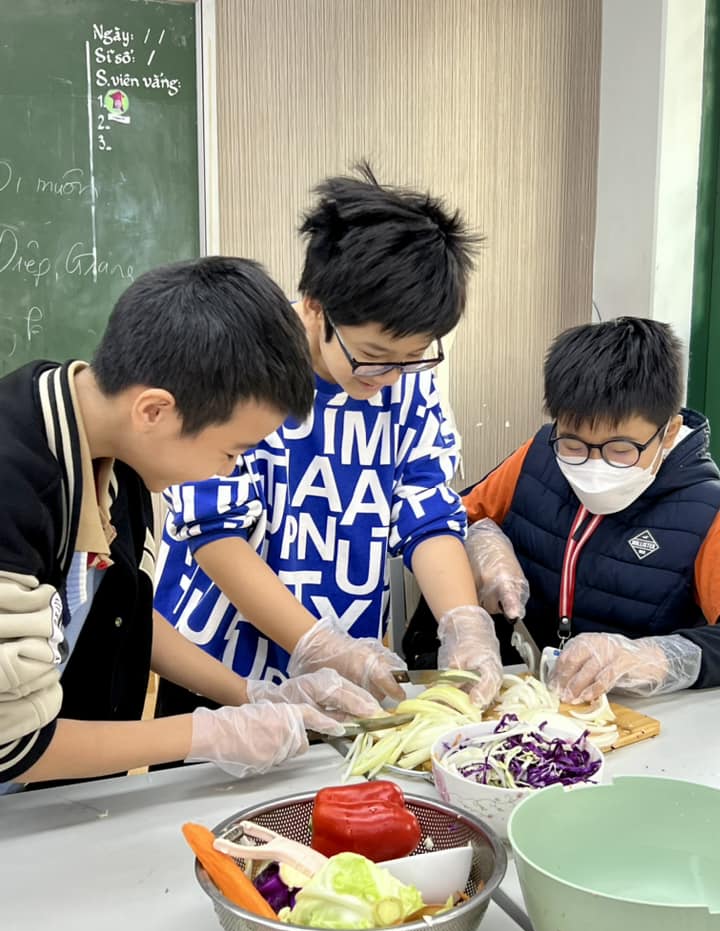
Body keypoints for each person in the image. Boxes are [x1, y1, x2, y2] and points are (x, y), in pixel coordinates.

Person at [0, 257, 382, 792]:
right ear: (154, 411)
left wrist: (251, 696)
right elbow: (13, 744)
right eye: (231, 452)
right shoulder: (15, 487)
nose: (226, 472)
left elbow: (126, 613)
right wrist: (207, 734)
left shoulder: (116, 447)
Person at [153, 164, 505, 713]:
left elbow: (427, 515)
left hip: (349, 669)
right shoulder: (236, 365)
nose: (390, 377)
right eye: (373, 356)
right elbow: (215, 532)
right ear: (316, 307)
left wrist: (464, 623)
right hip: (219, 670)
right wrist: (318, 646)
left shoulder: (408, 381)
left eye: (414, 357)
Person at [406, 316, 720, 704]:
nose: (594, 465)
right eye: (573, 445)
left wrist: (658, 658)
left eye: (621, 450)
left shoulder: (706, 511)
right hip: (514, 696)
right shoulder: (538, 457)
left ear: (668, 432)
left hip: (625, 713)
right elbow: (452, 519)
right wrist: (480, 542)